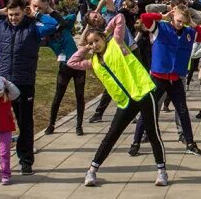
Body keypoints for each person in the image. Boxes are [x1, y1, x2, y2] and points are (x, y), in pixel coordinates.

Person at [67, 13, 168, 187]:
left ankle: (162, 171)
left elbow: (120, 17)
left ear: (103, 38)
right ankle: (92, 170)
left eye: (97, 40)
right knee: (111, 135)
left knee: (152, 132)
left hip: (142, 92)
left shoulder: (117, 42)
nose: (95, 45)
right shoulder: (94, 63)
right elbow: (72, 62)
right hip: (125, 102)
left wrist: (106, 33)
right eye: (91, 43)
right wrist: (84, 47)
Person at [0, 0, 59, 175]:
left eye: (17, 14)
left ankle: (26, 161)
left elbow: (52, 25)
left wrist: (36, 15)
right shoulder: (1, 26)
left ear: (24, 11)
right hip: (2, 85)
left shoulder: (33, 28)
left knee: (25, 123)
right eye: (11, 14)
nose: (13, 18)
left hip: (24, 83)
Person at [130, 6, 201, 156]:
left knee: (183, 111)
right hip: (159, 77)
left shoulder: (189, 32)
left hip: (176, 78)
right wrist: (162, 16)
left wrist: (192, 24)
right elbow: (145, 17)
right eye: (178, 21)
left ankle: (190, 143)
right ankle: (136, 142)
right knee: (148, 109)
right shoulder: (160, 28)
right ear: (173, 17)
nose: (180, 24)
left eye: (183, 22)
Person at [31, 0, 86, 136]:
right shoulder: (47, 38)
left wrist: (49, 10)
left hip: (78, 66)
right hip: (64, 67)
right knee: (58, 96)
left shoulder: (63, 24)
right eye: (35, 7)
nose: (37, 9)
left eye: (40, 7)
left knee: (79, 96)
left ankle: (79, 125)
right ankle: (51, 124)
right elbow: (35, 39)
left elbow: (68, 19)